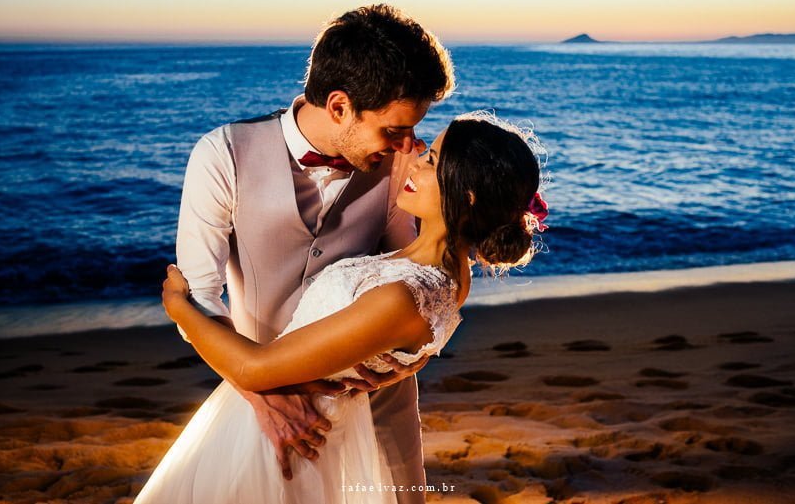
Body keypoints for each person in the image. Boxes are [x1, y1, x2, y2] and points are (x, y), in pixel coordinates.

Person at [136, 113, 547, 503]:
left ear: (468, 195)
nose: (414, 161)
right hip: (311, 426)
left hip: (294, 439)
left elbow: (251, 369)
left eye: (431, 160)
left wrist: (176, 305)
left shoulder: (406, 295)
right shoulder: (443, 270)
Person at [164, 4, 454, 503]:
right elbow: (200, 298)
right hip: (263, 408)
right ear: (339, 106)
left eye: (412, 129)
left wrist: (414, 356)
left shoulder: (401, 170)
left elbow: (414, 278)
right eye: (393, 130)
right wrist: (265, 399)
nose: (411, 144)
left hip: (376, 403)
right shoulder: (222, 155)